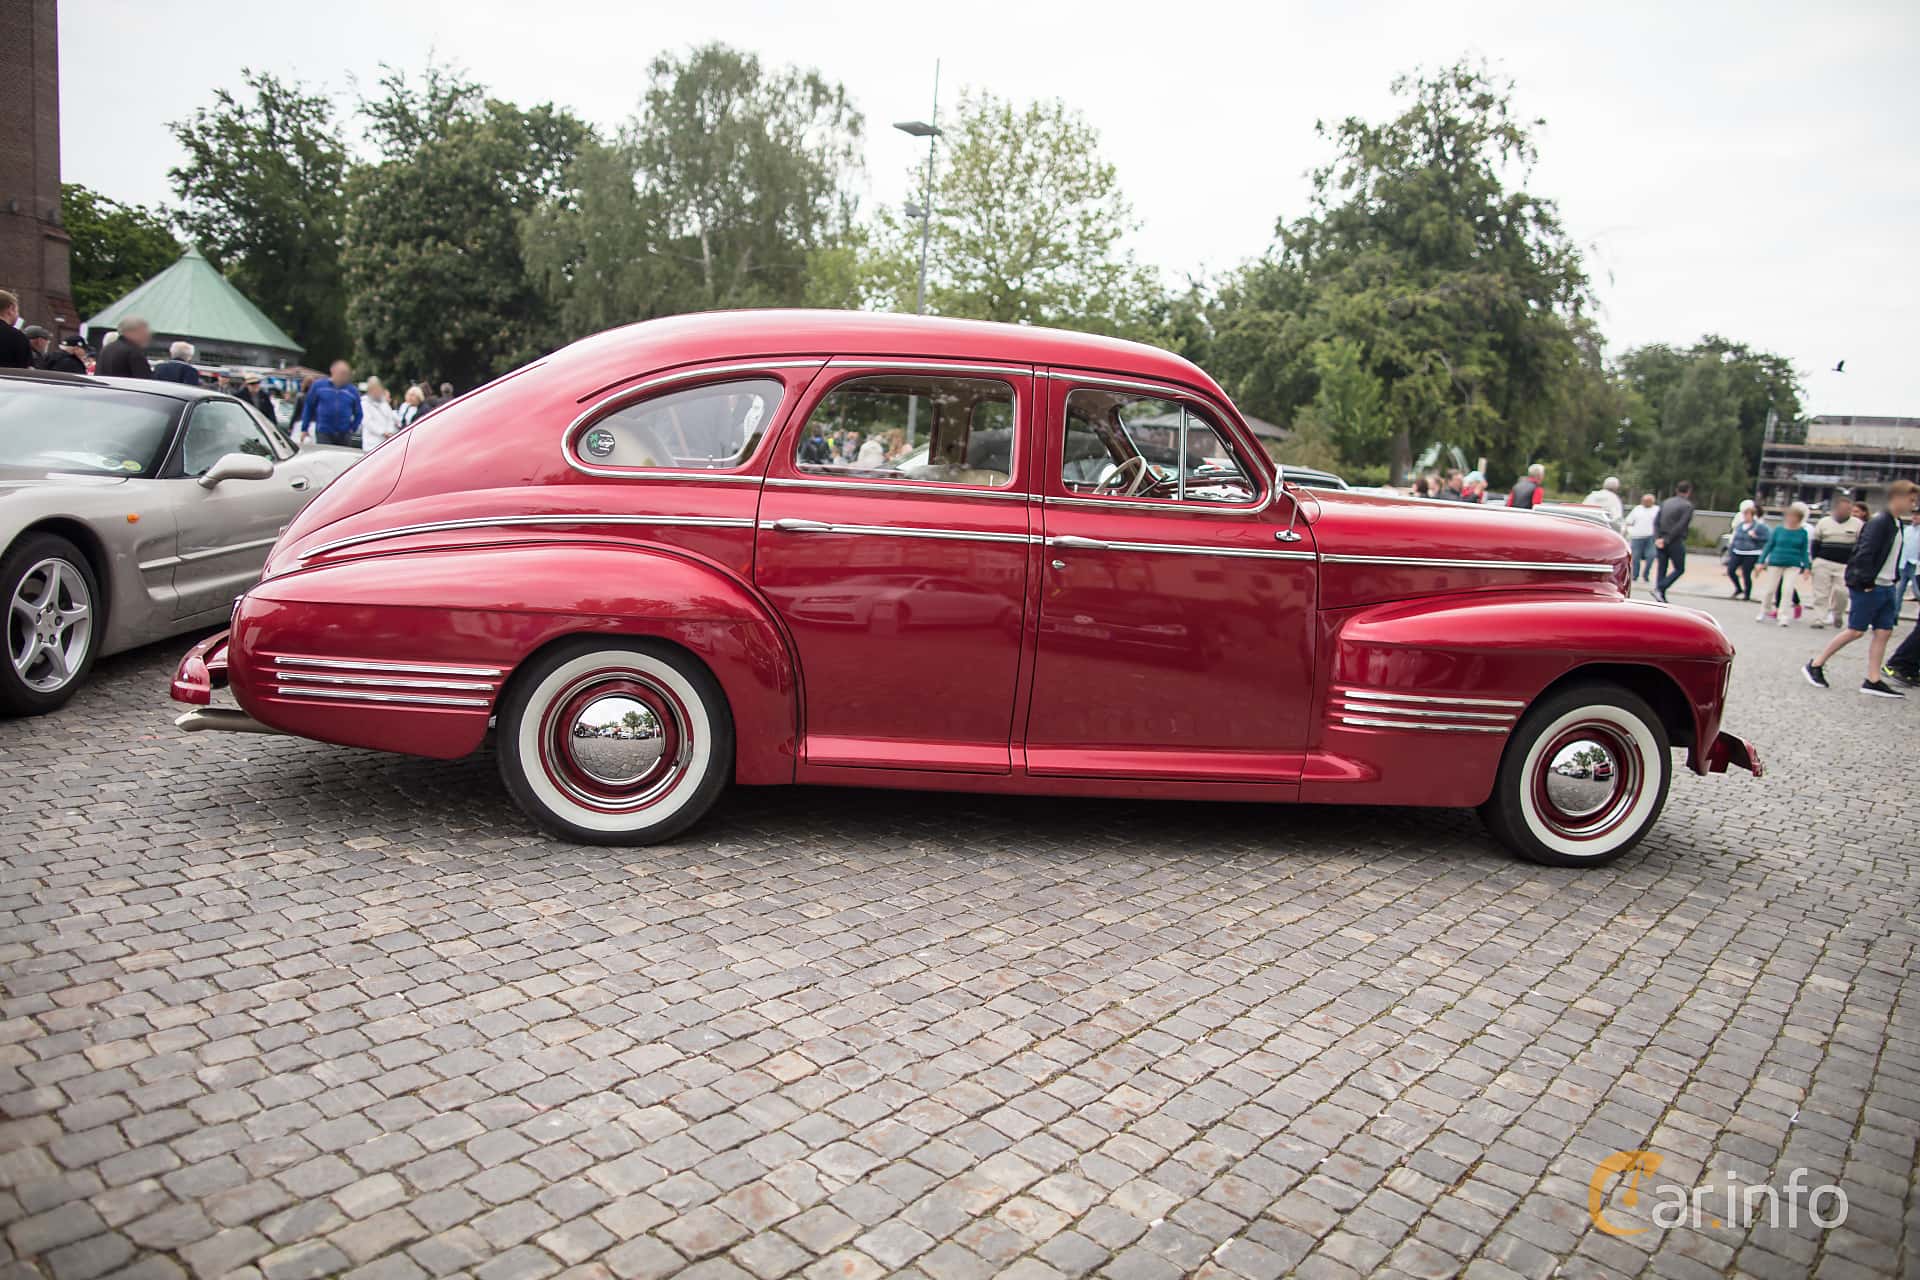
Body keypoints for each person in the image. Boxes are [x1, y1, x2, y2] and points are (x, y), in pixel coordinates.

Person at [1805, 478, 1918, 698]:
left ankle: (1872, 679)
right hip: (1871, 585)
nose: (1913, 505)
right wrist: (1865, 582)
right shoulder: (1880, 522)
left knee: (1884, 631)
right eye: (1911, 500)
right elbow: (1864, 553)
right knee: (1856, 630)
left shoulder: (1894, 522)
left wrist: (1891, 579)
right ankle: (1816, 664)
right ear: (1899, 498)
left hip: (1885, 585)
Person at [1810, 493, 1864, 629]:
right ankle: (1819, 618)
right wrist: (1815, 560)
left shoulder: (1858, 525)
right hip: (1824, 561)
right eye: (1842, 509)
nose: (1844, 512)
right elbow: (1815, 543)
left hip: (1845, 564)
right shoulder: (1824, 522)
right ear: (1835, 509)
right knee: (1821, 592)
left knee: (1842, 593)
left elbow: (1861, 545)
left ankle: (1837, 613)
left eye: (1848, 510)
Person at [1753, 503, 1813, 625]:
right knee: (1770, 588)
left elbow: (1804, 551)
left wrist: (1807, 567)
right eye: (1789, 516)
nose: (1791, 519)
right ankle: (1764, 610)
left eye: (1794, 517)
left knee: (1787, 589)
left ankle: (1783, 615)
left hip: (1793, 564)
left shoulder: (1802, 533)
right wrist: (1761, 561)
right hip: (1776, 561)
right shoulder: (1779, 530)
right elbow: (1769, 546)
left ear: (1799, 518)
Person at [296, 360, 363, 446]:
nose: (344, 376)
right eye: (342, 373)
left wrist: (352, 428)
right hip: (324, 431)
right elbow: (309, 406)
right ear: (333, 371)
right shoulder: (319, 386)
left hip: (344, 434)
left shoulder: (352, 391)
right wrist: (304, 428)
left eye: (346, 374)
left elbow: (359, 413)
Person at [1653, 481, 1694, 602]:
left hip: (1661, 538)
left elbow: (1656, 522)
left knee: (1662, 567)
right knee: (1679, 568)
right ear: (1688, 491)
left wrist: (1657, 538)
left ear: (1677, 490)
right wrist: (1667, 540)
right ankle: (1660, 588)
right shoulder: (1687, 506)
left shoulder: (1665, 502)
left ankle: (1660, 594)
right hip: (1674, 540)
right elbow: (1680, 525)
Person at [1725, 500, 1768, 601]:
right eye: (1744, 514)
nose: (1745, 516)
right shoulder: (1740, 526)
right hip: (1738, 551)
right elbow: (1736, 538)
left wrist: (1755, 537)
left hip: (1751, 553)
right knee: (1731, 570)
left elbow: (1767, 539)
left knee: (1746, 573)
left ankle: (1747, 594)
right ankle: (1738, 588)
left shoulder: (1759, 526)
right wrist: (1732, 549)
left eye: (1747, 514)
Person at [358, 376, 400, 450]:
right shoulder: (364, 404)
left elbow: (390, 419)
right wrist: (383, 432)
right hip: (371, 443)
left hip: (385, 442)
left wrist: (390, 431)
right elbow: (368, 422)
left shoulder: (384, 404)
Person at [1624, 494, 1658, 583]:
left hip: (1651, 537)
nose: (1646, 503)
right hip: (1637, 536)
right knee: (1636, 557)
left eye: (1648, 501)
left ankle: (1646, 574)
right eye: (1644, 501)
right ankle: (1635, 575)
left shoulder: (1657, 510)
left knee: (1651, 556)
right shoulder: (1637, 509)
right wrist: (1629, 531)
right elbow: (1628, 522)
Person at [0, 291, 33, 369]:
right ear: (11, 309)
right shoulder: (18, 337)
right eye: (17, 310)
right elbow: (28, 371)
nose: (18, 315)